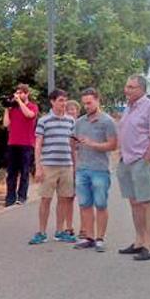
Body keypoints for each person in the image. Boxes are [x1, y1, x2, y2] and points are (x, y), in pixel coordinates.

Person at [116, 74, 150, 261]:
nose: (127, 90)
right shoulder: (128, 107)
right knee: (134, 202)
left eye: (131, 87)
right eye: (126, 86)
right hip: (126, 161)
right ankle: (139, 241)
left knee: (146, 202)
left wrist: (146, 161)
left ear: (142, 89)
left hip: (141, 162)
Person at [72, 88, 118, 253]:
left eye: (89, 103)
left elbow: (113, 145)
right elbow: (74, 142)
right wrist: (76, 150)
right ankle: (88, 236)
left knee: (100, 204)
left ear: (98, 100)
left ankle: (100, 238)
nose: (86, 106)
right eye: (84, 103)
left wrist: (93, 144)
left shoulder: (107, 121)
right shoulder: (79, 122)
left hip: (100, 169)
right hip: (82, 168)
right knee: (84, 204)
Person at [29, 89, 77, 245]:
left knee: (64, 199)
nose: (63, 104)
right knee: (45, 199)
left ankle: (60, 230)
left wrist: (75, 166)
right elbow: (38, 144)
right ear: (52, 101)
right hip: (49, 165)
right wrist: (38, 167)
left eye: (65, 100)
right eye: (60, 100)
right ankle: (42, 232)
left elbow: (73, 145)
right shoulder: (44, 121)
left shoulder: (71, 121)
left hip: (66, 165)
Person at [2, 84, 39, 207]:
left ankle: (22, 195)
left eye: (21, 93)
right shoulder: (13, 109)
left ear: (27, 94)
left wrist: (19, 102)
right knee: (11, 172)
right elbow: (6, 124)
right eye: (17, 93)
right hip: (13, 143)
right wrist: (7, 108)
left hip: (26, 144)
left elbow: (29, 115)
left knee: (24, 171)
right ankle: (10, 197)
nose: (18, 95)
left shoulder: (32, 106)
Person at [63, 99, 82, 236]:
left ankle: (85, 228)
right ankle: (68, 227)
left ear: (78, 111)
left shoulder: (83, 126)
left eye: (73, 109)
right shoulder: (63, 127)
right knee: (68, 197)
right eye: (68, 110)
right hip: (67, 165)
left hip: (83, 165)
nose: (70, 112)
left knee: (84, 199)